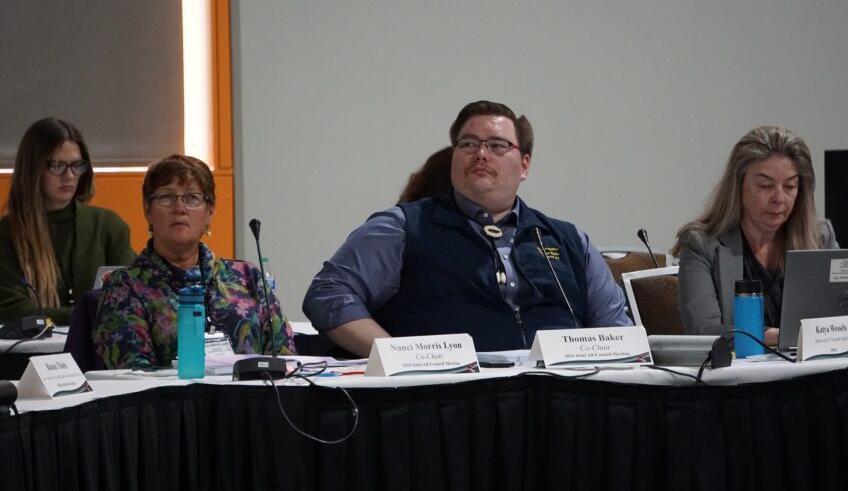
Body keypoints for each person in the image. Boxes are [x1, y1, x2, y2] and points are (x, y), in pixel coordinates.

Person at [303, 100, 630, 356]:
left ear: (525, 165)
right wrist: (392, 354)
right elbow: (329, 294)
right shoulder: (403, 227)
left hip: (562, 402)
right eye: (468, 144)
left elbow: (618, 336)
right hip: (447, 403)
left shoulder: (570, 240)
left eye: (497, 145)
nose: (481, 154)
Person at [94, 154, 296, 369]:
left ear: (209, 212)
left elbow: (284, 356)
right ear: (147, 210)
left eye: (192, 198)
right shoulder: (124, 287)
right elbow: (134, 375)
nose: (179, 208)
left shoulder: (247, 277)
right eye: (166, 197)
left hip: (253, 399)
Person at [672, 125, 838, 343]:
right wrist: (773, 337)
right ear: (738, 185)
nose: (779, 198)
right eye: (765, 185)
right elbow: (702, 331)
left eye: (790, 186)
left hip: (818, 371)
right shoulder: (701, 244)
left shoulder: (821, 238)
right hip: (742, 374)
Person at [0, 117, 136, 326]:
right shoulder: (7, 234)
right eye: (57, 166)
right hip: (28, 354)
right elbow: (11, 309)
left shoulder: (108, 225)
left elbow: (132, 296)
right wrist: (83, 314)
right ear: (33, 170)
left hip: (96, 352)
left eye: (76, 165)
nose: (69, 176)